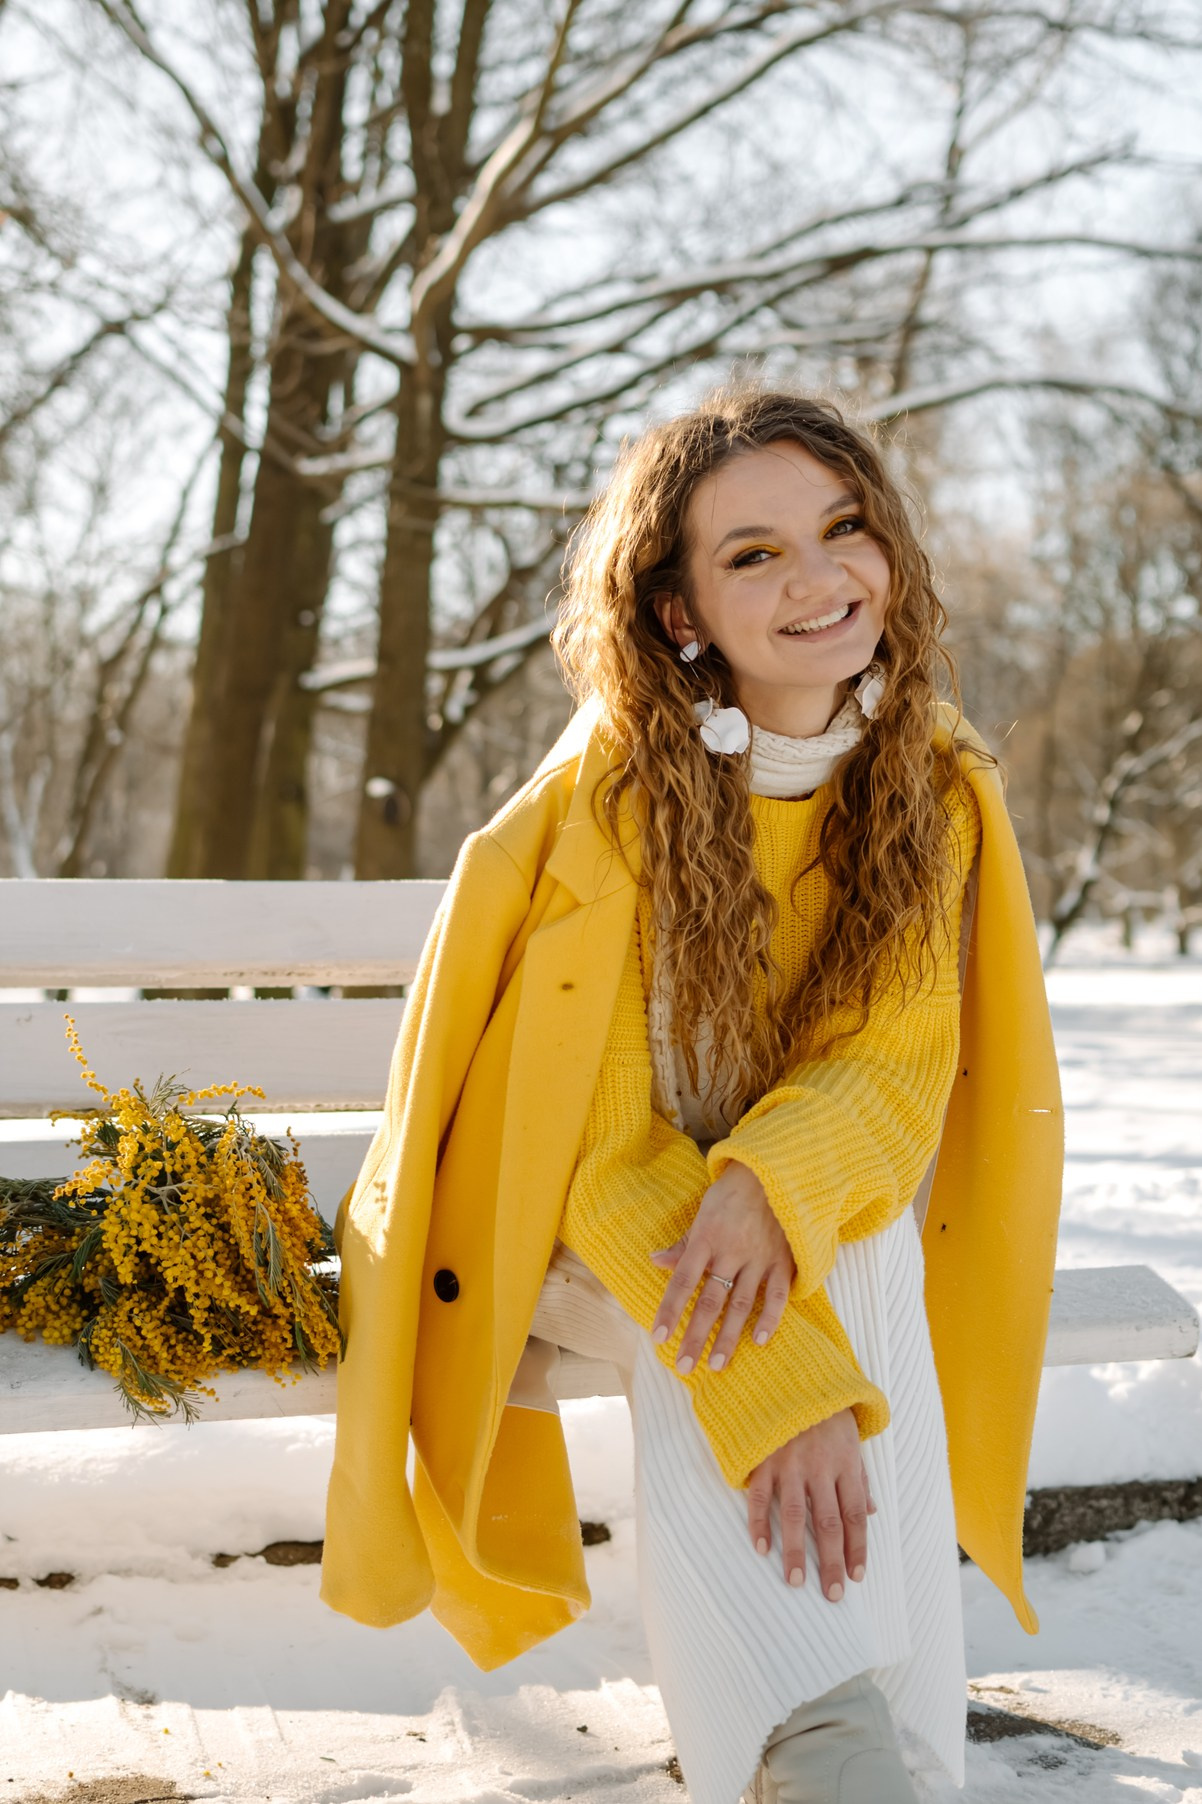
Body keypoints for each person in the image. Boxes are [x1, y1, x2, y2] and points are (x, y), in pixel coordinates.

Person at [319, 382, 1064, 1804]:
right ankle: (834, 1751)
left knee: (856, 1238)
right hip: (564, 1217)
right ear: (678, 611)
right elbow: (589, 1142)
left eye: (843, 528)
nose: (819, 578)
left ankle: (849, 1763)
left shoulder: (930, 783)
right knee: (763, 1303)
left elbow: (888, 1064)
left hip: (778, 1219)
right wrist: (778, 1385)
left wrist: (761, 1185)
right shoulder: (605, 804)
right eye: (752, 554)